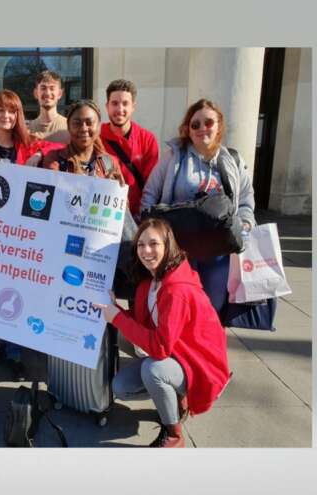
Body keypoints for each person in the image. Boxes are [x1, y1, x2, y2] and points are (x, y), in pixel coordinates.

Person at [97, 218, 231, 448]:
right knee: (122, 387)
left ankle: (173, 434)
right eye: (140, 245)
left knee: (154, 369)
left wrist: (117, 317)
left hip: (198, 364)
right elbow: (140, 325)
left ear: (168, 245)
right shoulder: (149, 282)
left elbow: (159, 348)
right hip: (176, 353)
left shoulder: (177, 290)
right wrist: (115, 309)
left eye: (153, 244)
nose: (146, 251)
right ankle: (174, 397)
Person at [0, 89, 63, 380]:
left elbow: (57, 145)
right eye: (1, 110)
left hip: (23, 231)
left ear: (18, 115)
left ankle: (16, 348)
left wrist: (38, 154)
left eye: (12, 111)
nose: (6, 116)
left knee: (19, 289)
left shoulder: (27, 143)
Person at [140, 98, 255, 316]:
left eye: (209, 122)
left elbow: (246, 198)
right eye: (196, 124)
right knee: (177, 306)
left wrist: (246, 224)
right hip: (179, 249)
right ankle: (179, 347)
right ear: (188, 129)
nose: (203, 128)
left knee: (211, 308)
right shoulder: (173, 157)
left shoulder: (233, 159)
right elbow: (150, 195)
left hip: (219, 250)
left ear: (219, 125)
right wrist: (150, 233)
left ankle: (205, 347)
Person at [100, 79, 159, 220]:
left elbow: (152, 187)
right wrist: (41, 152)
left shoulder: (147, 139)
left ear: (133, 107)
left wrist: (143, 218)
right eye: (114, 103)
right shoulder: (96, 136)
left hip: (135, 218)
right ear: (107, 106)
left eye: (125, 103)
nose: (120, 109)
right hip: (102, 216)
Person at [42, 99, 123, 184]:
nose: (84, 129)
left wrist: (114, 188)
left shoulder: (110, 162)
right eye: (77, 123)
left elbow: (122, 196)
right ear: (68, 127)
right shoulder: (54, 159)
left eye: (89, 123)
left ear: (99, 127)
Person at [27, 70, 70, 144]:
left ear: (60, 94)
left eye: (52, 88)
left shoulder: (69, 127)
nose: (47, 93)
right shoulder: (28, 130)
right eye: (43, 88)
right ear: (36, 93)